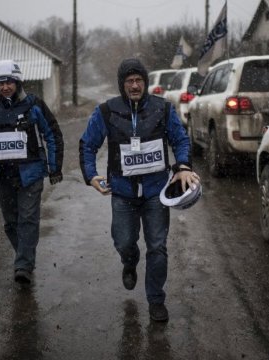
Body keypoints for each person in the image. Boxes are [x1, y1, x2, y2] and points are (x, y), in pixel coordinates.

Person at [79, 58, 200, 321]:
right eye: (129, 81)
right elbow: (87, 145)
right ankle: (129, 261)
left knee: (157, 246)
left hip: (156, 192)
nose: (134, 85)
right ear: (122, 85)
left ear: (145, 82)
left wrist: (182, 166)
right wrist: (91, 176)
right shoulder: (106, 111)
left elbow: (180, 139)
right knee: (124, 241)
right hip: (122, 193)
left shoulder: (162, 109)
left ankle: (156, 299)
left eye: (138, 80)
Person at [0, 59, 64, 287]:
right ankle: (25, 256)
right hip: (2, 175)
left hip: (31, 174)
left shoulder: (34, 105)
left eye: (9, 81)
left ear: (18, 81)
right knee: (11, 223)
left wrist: (55, 167)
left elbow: (52, 134)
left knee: (28, 219)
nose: (5, 87)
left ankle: (23, 266)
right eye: (0, 83)